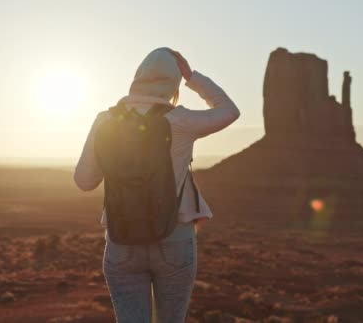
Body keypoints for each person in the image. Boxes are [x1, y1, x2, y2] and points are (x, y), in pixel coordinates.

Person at [74, 47, 240, 322]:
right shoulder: (181, 120)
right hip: (174, 240)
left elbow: (84, 181)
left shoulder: (105, 121)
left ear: (137, 77)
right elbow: (229, 111)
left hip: (122, 242)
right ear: (173, 83)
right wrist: (192, 77)